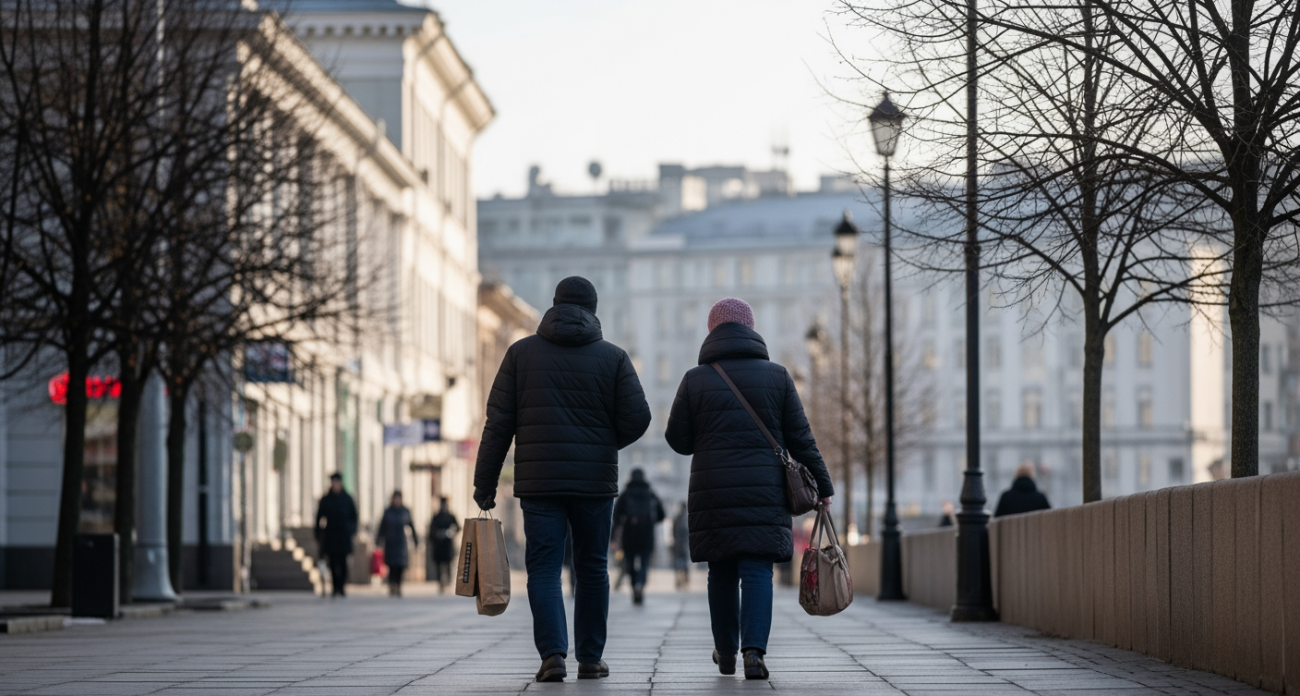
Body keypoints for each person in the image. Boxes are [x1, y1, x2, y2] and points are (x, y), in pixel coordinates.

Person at [473, 276, 651, 683]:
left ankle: (552, 655)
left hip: (540, 481)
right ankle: (590, 658)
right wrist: (604, 443)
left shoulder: (520, 355)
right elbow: (639, 418)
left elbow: (498, 423)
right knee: (592, 567)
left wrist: (484, 484)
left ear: (555, 305)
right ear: (593, 309)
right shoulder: (614, 358)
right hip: (594, 481)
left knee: (544, 567)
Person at [665, 297, 834, 681]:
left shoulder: (695, 379)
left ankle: (725, 653)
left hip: (712, 492)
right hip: (765, 492)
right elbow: (801, 440)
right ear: (751, 329)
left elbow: (677, 439)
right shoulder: (778, 376)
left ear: (712, 331)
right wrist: (823, 486)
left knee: (720, 572)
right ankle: (753, 654)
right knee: (757, 570)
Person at [613, 469, 665, 605]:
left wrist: (614, 536)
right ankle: (640, 583)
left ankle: (634, 584)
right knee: (644, 561)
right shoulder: (650, 493)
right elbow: (662, 514)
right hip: (646, 531)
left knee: (629, 562)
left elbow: (616, 516)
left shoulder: (625, 494)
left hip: (629, 532)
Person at [315, 473, 358, 598]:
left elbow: (354, 516)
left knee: (343, 562)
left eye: (337, 482)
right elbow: (319, 518)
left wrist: (351, 530)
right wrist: (318, 534)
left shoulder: (347, 499)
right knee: (333, 563)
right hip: (331, 535)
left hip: (344, 535)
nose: (335, 485)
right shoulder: (326, 499)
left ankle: (341, 586)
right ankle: (334, 587)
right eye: (333, 482)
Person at [377, 490, 418, 597]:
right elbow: (382, 527)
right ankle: (392, 585)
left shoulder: (405, 511)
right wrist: (378, 540)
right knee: (392, 566)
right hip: (390, 541)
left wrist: (415, 540)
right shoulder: (388, 512)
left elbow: (412, 526)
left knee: (400, 566)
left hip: (401, 542)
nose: (397, 500)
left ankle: (398, 585)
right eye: (395, 498)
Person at [428, 497, 460, 594]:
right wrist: (436, 535)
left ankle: (448, 581)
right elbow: (431, 530)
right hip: (438, 544)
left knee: (448, 563)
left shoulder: (451, 516)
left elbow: (458, 527)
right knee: (439, 564)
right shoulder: (436, 517)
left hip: (448, 543)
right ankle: (440, 582)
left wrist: (451, 532)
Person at [671, 503, 690, 591]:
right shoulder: (688, 518)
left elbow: (673, 532)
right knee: (685, 564)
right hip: (685, 544)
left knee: (678, 563)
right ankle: (685, 580)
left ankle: (679, 580)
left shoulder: (677, 518)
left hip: (678, 544)